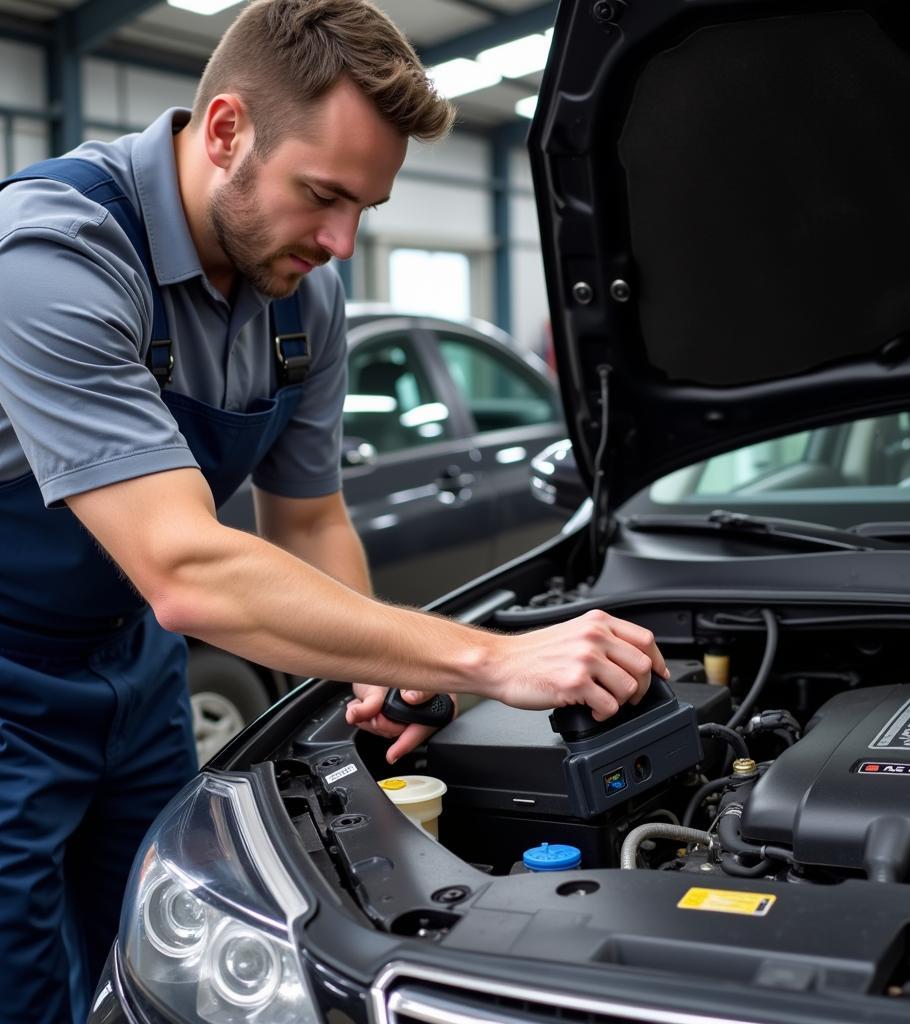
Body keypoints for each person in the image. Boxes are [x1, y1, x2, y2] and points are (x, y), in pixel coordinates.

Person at [0, 1, 667, 1020]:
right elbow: (185, 568)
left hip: (130, 672)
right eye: (322, 195)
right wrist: (487, 657)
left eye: (365, 206)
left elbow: (307, 521)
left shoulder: (299, 299)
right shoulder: (54, 259)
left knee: (158, 955)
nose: (342, 241)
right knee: (25, 979)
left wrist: (374, 670)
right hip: (9, 682)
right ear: (224, 130)